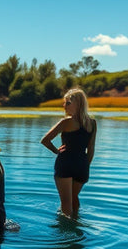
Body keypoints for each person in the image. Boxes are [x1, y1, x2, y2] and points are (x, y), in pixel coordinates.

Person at [41, 88, 97, 218]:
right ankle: (76, 224)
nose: (64, 106)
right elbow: (91, 149)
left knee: (66, 204)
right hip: (82, 166)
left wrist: (56, 151)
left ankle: (66, 234)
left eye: (67, 103)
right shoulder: (92, 123)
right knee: (74, 199)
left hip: (65, 164)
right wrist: (84, 165)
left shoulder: (66, 122)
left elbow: (45, 140)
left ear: (77, 104)